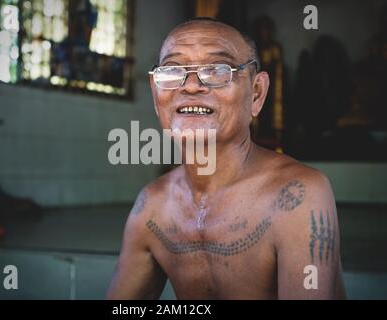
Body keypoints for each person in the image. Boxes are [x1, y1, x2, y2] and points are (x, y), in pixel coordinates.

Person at [106, 17, 345, 299]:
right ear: (156, 93)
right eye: (172, 71)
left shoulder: (296, 197)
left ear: (256, 93)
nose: (191, 86)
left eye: (217, 70)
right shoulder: (151, 208)